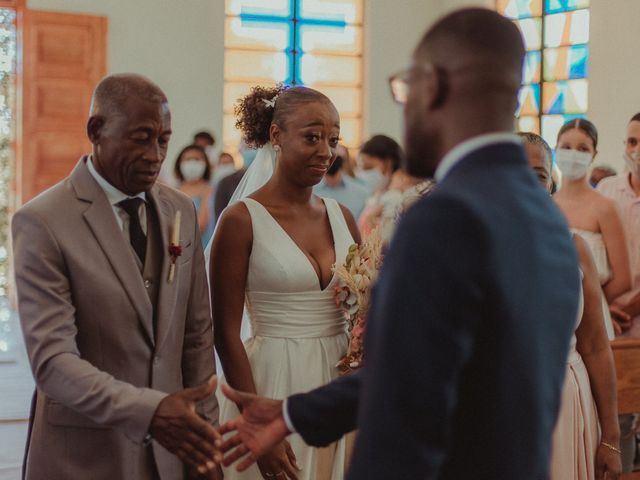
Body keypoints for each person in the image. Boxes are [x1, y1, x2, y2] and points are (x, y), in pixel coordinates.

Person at [216, 8, 581, 480]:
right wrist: (291, 416)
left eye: (405, 88)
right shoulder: (547, 217)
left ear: (436, 86)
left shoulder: (446, 217)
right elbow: (437, 369)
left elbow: (402, 397)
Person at [12, 74, 222, 479]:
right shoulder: (43, 221)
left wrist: (205, 440)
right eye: (141, 137)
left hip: (169, 453)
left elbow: (197, 337)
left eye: (163, 139)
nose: (155, 154)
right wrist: (151, 410)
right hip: (85, 453)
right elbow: (53, 361)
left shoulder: (180, 210)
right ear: (96, 131)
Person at [208, 84, 361, 480]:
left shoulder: (342, 216)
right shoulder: (241, 220)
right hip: (273, 378)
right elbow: (225, 334)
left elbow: (363, 307)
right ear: (277, 136)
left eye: (333, 140)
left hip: (338, 380)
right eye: (311, 137)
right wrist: (258, 423)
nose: (326, 151)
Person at [520, 132, 622, 479]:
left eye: (538, 177)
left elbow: (595, 345)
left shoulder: (574, 248)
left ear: (550, 184)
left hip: (567, 402)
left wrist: (611, 437)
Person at [553, 119, 630, 339]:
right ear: (556, 148)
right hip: (553, 311)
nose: (573, 154)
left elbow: (623, 279)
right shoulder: (547, 205)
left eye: (582, 148)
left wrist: (593, 301)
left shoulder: (605, 207)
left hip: (593, 312)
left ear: (593, 154)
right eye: (566, 147)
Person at [597, 112, 640, 471]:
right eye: (631, 141)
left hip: (634, 314)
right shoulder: (608, 190)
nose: (636, 150)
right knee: (619, 418)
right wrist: (604, 308)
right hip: (615, 323)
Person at [174, 144, 215, 246]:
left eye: (197, 159)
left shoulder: (210, 190)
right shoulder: (173, 190)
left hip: (201, 247)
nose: (192, 163)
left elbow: (201, 225)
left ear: (205, 163)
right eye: (187, 160)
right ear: (179, 164)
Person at [313, 144, 369, 219]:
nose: (332, 161)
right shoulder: (310, 191)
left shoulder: (361, 192)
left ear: (344, 160)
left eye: (336, 157)